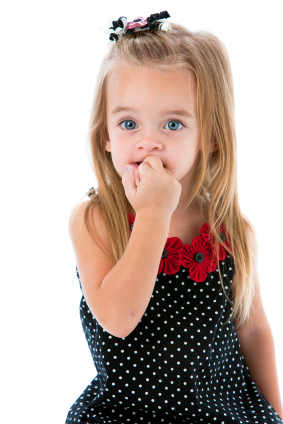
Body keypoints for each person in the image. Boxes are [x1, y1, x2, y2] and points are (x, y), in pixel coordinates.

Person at [65, 11, 283, 424]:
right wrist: (152, 214)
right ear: (106, 136)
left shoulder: (229, 230)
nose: (149, 143)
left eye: (173, 124)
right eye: (129, 123)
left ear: (211, 136)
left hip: (220, 413)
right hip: (125, 413)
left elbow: (253, 332)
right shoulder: (94, 219)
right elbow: (118, 319)